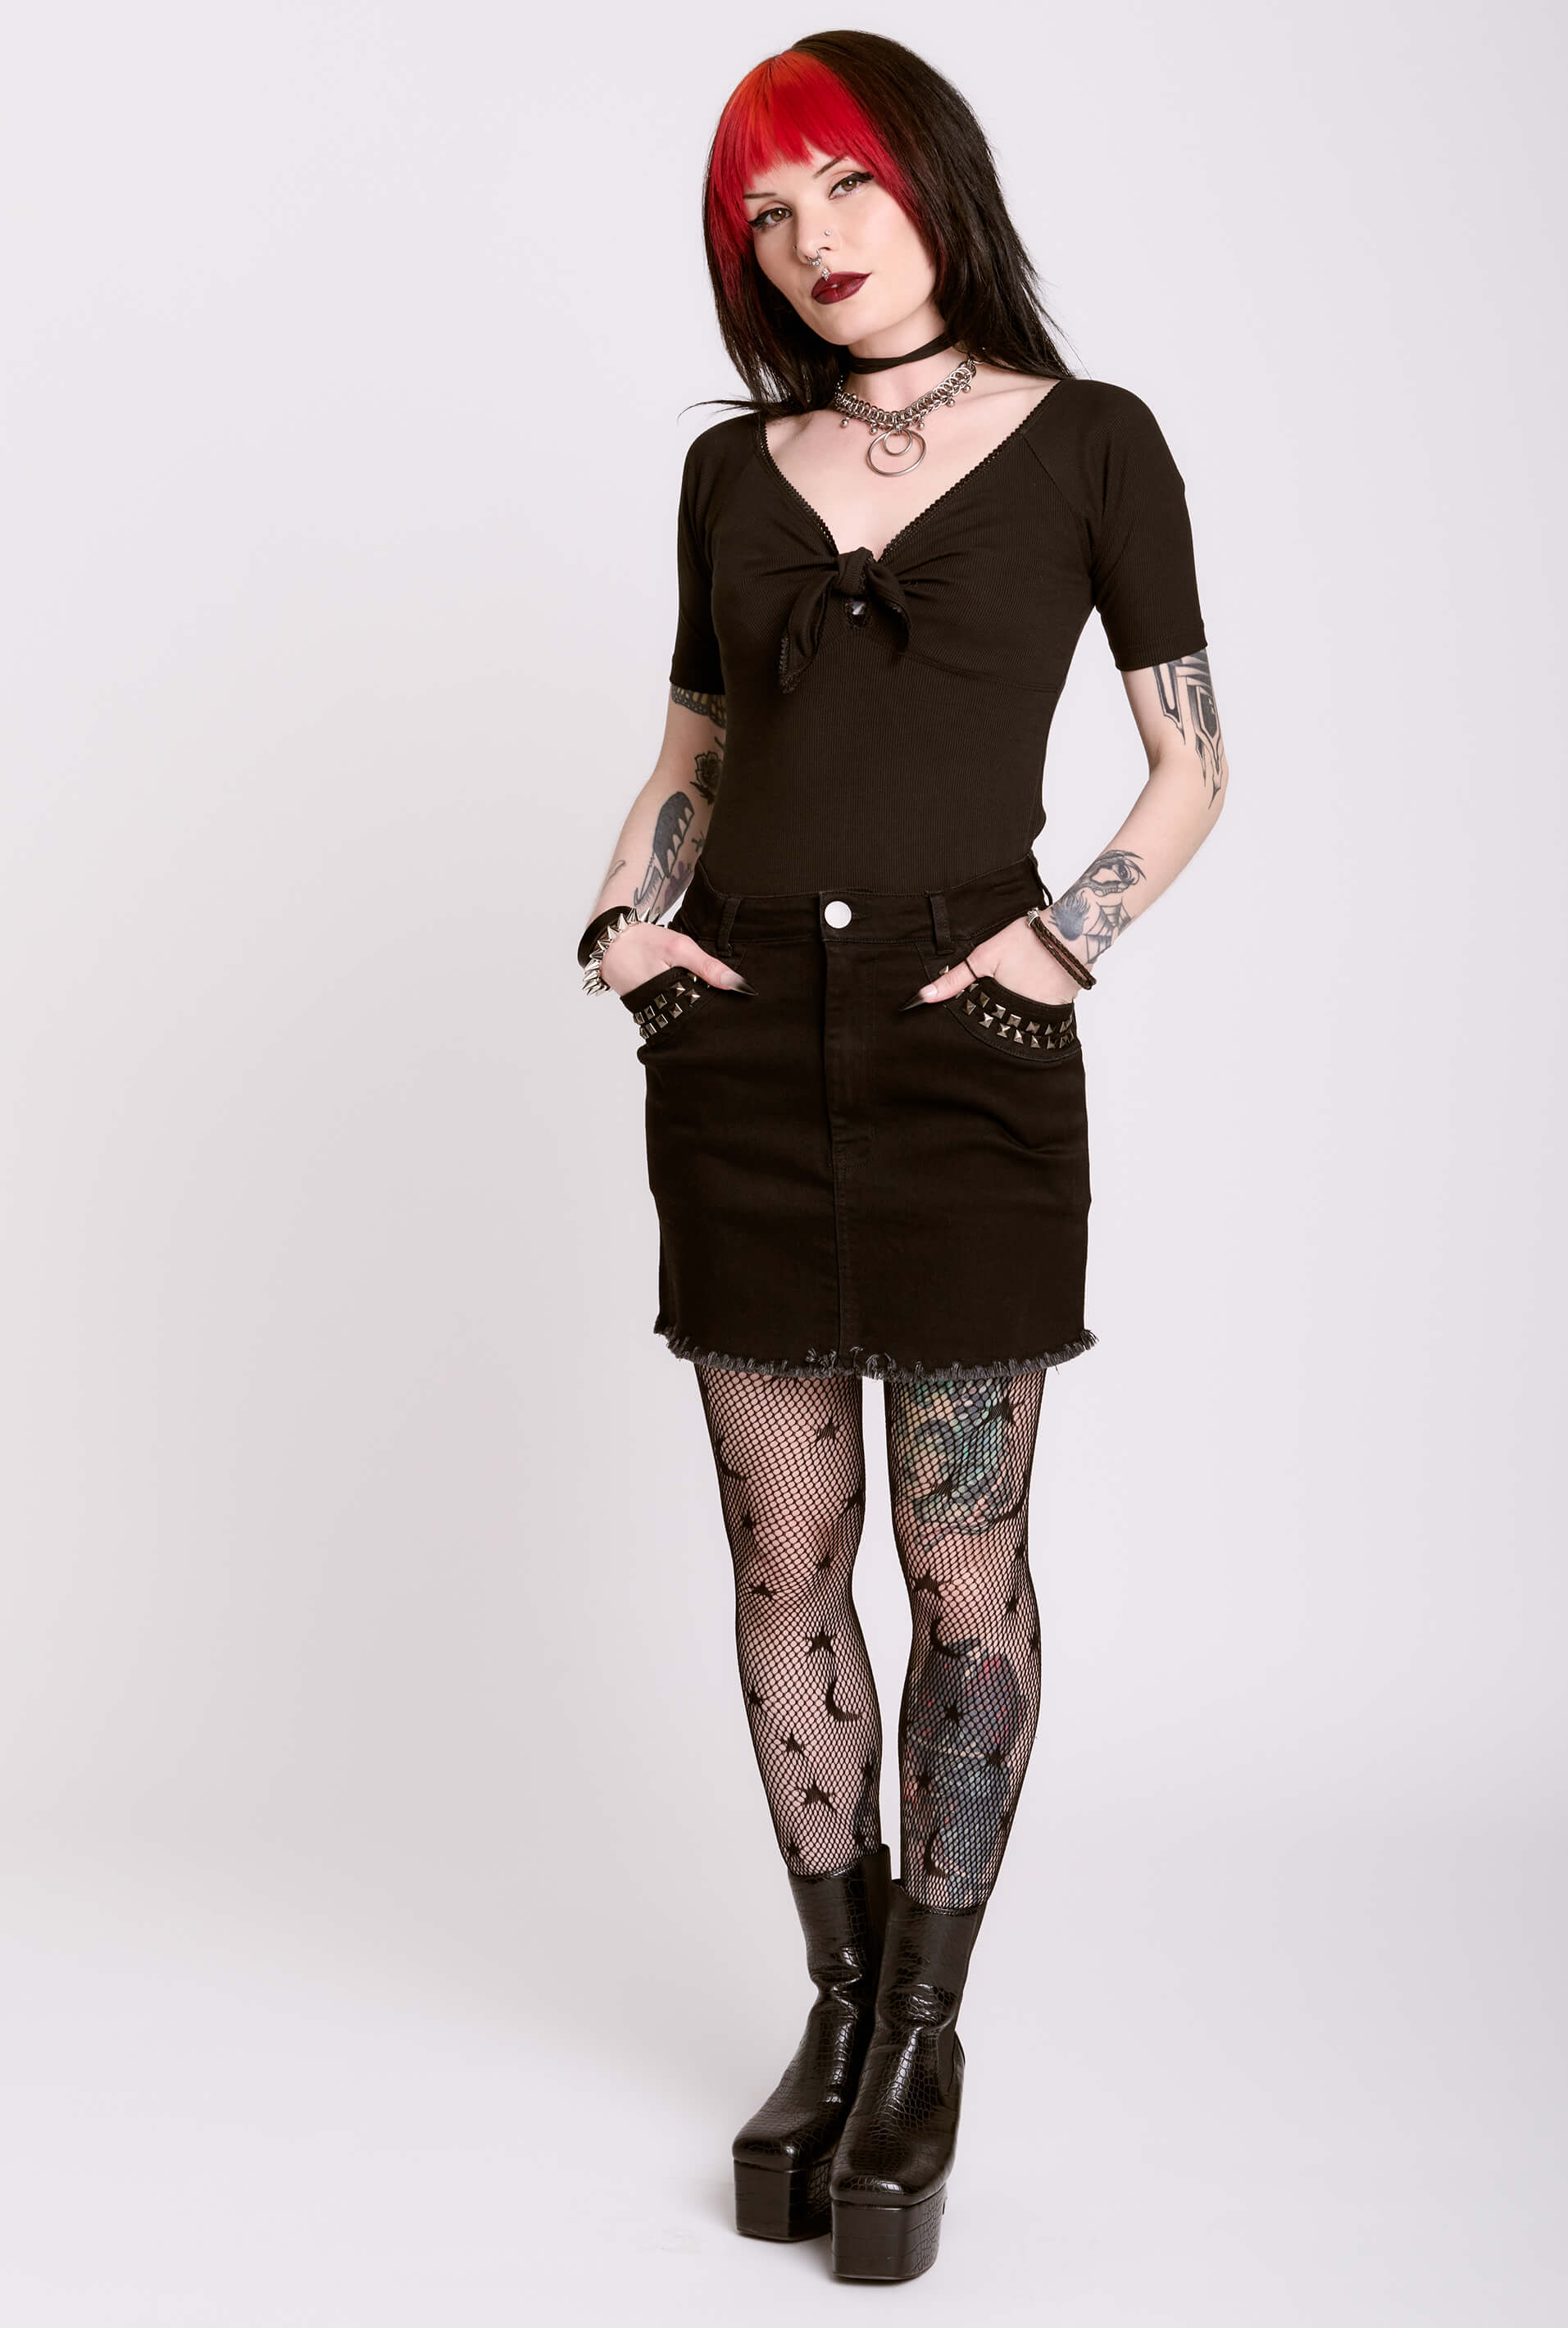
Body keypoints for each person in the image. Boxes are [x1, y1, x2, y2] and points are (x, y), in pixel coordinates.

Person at [575, 31, 1229, 2284]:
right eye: (767, 214)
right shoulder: (726, 474)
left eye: (843, 183)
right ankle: (836, 2003)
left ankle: (925, 2036)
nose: (813, 239)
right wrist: (618, 923)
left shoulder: (1094, 442)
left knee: (962, 1569)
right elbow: (694, 742)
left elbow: (1189, 759)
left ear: (932, 180)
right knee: (784, 1564)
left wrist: (1067, 940)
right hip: (744, 1046)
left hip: (967, 1045)